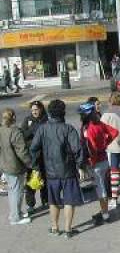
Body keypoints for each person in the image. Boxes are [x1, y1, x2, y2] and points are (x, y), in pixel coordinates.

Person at [31, 100, 83, 239]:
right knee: (69, 201)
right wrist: (81, 166)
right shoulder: (68, 129)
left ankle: (55, 228)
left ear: (49, 113)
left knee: (53, 201)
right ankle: (68, 229)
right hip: (68, 171)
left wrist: (36, 167)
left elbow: (33, 148)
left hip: (50, 171)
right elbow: (77, 150)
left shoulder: (42, 128)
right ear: (63, 113)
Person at [78, 102, 118, 225]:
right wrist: (106, 144)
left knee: (100, 189)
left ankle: (105, 214)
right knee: (103, 186)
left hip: (96, 163)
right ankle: (104, 211)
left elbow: (91, 148)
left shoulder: (88, 128)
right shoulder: (99, 124)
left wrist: (90, 163)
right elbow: (114, 132)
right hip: (104, 159)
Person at [0, 109, 31, 225]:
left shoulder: (1, 130)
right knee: (17, 191)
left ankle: (15, 212)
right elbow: (22, 151)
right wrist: (29, 163)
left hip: (5, 164)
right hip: (16, 166)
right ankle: (15, 217)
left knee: (12, 190)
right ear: (13, 117)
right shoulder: (15, 131)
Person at [21, 100, 48, 215]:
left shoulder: (46, 120)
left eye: (36, 109)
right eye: (32, 110)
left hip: (44, 155)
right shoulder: (27, 121)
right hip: (32, 156)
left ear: (41, 109)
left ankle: (46, 200)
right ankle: (30, 204)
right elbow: (23, 135)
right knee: (30, 180)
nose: (34, 112)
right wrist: (31, 129)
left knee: (45, 179)